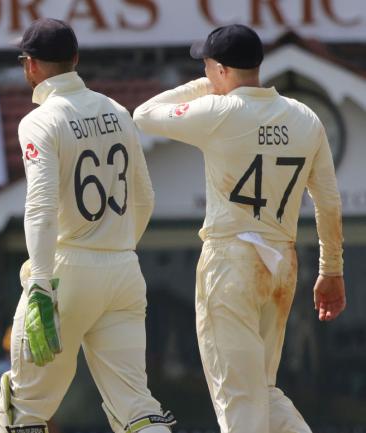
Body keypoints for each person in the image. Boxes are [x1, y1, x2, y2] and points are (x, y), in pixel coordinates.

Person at [133, 24, 346, 433]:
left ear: (220, 68)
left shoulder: (219, 111)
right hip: (282, 260)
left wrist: (205, 85)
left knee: (239, 399)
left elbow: (144, 114)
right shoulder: (305, 117)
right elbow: (329, 201)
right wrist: (332, 269)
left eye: (208, 65)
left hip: (230, 262)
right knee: (260, 392)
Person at [0, 18, 175, 433]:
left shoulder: (39, 121)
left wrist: (41, 283)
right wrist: (117, 246)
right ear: (75, 59)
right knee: (135, 406)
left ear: (30, 66)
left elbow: (39, 206)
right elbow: (145, 197)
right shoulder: (116, 110)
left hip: (65, 270)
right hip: (123, 269)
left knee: (24, 408)